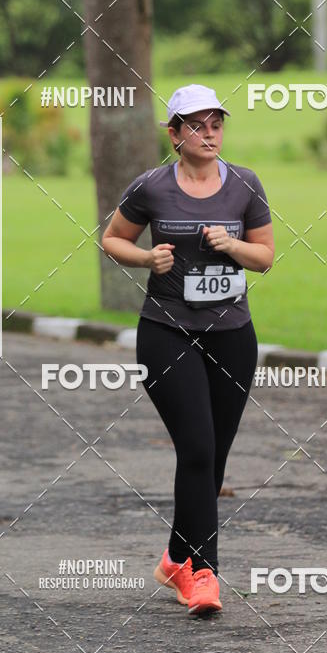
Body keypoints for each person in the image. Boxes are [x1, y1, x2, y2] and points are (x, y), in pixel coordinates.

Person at [101, 83, 275, 615]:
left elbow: (265, 256)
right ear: (174, 134)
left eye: (216, 123)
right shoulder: (151, 187)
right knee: (197, 448)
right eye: (196, 125)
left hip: (234, 336)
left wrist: (233, 246)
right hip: (167, 333)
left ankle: (177, 555)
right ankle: (202, 575)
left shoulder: (245, 185)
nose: (209, 133)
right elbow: (112, 239)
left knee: (213, 458)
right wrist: (146, 258)